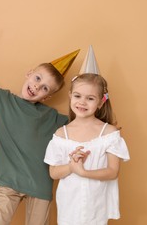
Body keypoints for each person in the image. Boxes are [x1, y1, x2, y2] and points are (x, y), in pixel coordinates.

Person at [0, 19, 79, 225]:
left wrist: (103, 119)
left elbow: (81, 125)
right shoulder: (1, 101)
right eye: (38, 79)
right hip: (9, 182)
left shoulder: (53, 118)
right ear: (29, 72)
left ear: (47, 97)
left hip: (39, 185)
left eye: (45, 89)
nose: (37, 87)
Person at [44, 46, 130, 224]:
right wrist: (71, 167)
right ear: (70, 96)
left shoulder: (109, 134)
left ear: (100, 102)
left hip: (96, 207)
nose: (82, 102)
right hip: (69, 206)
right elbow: (53, 172)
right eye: (77, 96)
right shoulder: (62, 134)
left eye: (90, 98)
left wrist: (83, 172)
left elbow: (112, 172)